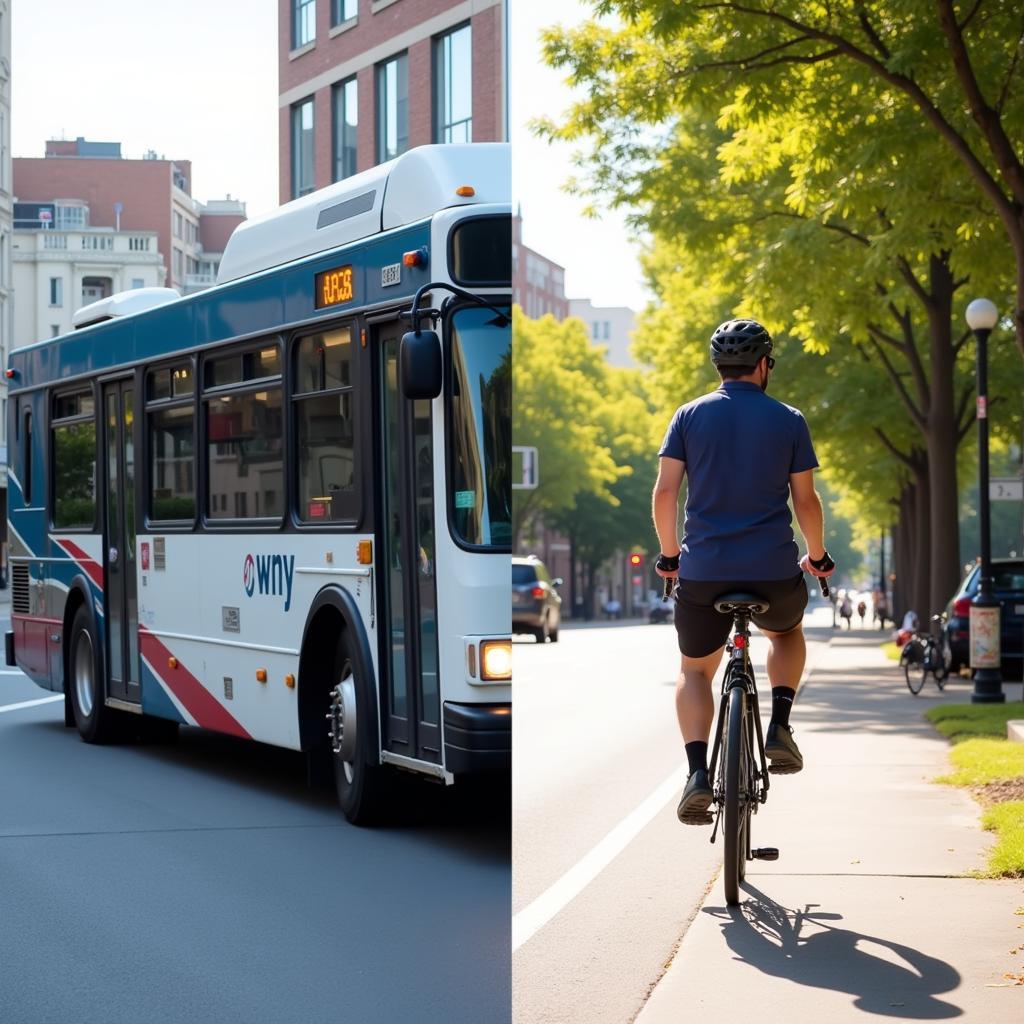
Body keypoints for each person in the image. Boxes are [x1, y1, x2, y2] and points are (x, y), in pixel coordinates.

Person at [652, 318, 835, 826]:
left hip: (704, 571)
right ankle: (779, 724)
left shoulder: (688, 416)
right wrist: (816, 556)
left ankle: (695, 775)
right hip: (772, 569)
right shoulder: (789, 419)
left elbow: (666, 493)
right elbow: (807, 500)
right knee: (787, 632)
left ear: (719, 367)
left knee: (694, 670)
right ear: (763, 366)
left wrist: (670, 556)